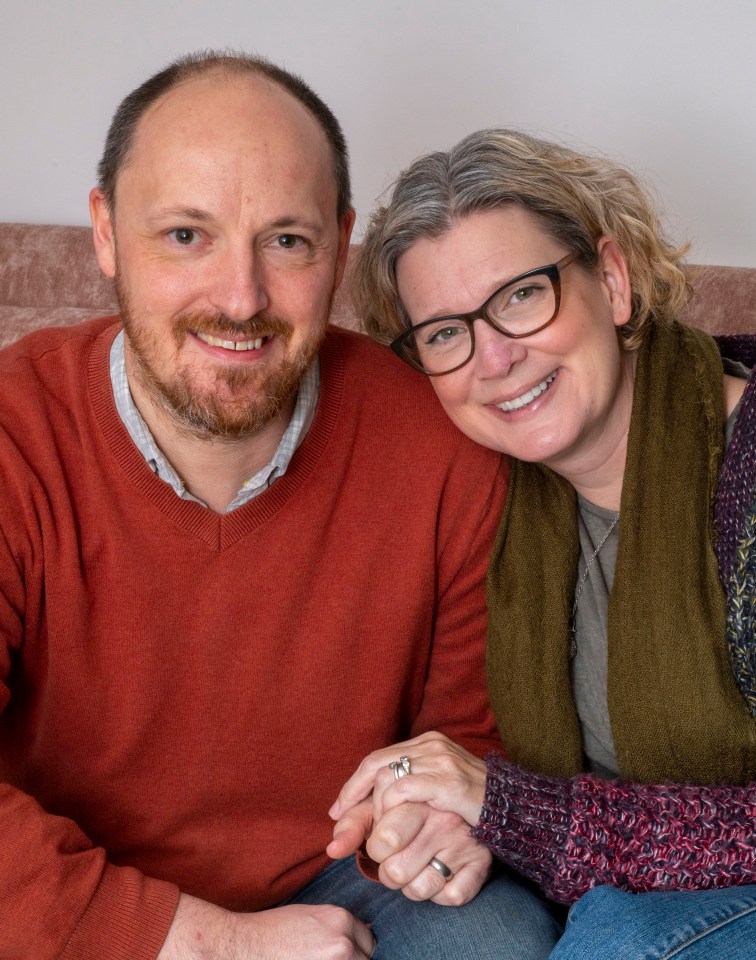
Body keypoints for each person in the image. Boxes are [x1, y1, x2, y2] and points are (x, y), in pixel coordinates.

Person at [0, 60, 562, 959]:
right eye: (187, 234)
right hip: (68, 889)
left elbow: (469, 733)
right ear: (104, 233)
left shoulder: (440, 436)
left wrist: (438, 821)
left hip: (338, 881)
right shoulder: (14, 431)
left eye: (287, 241)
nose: (241, 298)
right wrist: (211, 944)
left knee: (495, 933)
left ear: (339, 245)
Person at [330, 128, 756, 958]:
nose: (494, 357)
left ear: (614, 281)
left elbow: (531, 805)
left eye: (522, 294)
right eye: (446, 333)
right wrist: (447, 816)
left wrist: (513, 811)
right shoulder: (497, 501)